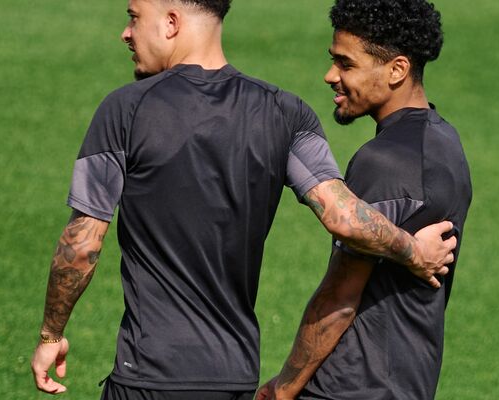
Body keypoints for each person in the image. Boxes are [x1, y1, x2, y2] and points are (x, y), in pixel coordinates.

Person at [29, 0, 457, 399]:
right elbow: (343, 216)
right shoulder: (287, 112)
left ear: (172, 22)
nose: (126, 33)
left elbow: (82, 245)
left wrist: (51, 335)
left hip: (148, 372)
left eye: (134, 16)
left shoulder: (124, 110)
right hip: (234, 375)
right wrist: (412, 250)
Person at [258, 0, 472, 399]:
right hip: (408, 383)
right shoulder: (446, 142)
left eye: (346, 64)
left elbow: (341, 295)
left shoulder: (383, 162)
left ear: (397, 70)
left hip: (349, 387)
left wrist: (283, 388)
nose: (330, 76)